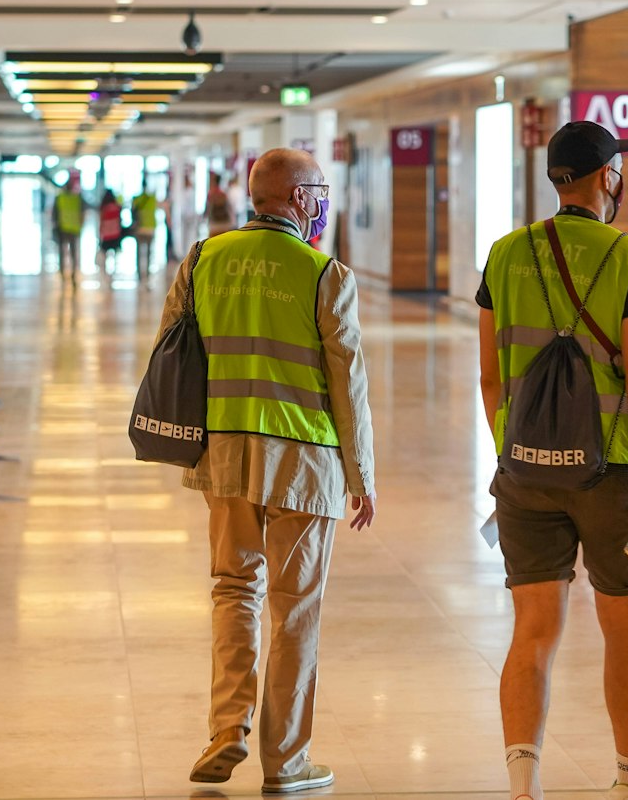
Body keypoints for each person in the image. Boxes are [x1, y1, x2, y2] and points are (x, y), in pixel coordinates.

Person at [162, 148, 377, 795]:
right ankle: (286, 762)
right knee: (293, 610)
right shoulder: (324, 274)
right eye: (321, 191)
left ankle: (227, 729)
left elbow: (172, 353)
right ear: (299, 198)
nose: (325, 203)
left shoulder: (202, 261)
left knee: (233, 590)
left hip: (224, 456)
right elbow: (349, 385)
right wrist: (361, 476)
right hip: (303, 460)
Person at [475, 121, 628, 800]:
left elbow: (489, 377)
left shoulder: (503, 255)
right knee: (625, 626)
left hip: (524, 472)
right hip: (613, 475)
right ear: (606, 178)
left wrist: (514, 451)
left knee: (532, 629)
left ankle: (523, 788)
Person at [53, 174, 84, 287]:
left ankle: (62, 274)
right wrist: (81, 225)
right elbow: (82, 213)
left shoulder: (59, 198)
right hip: (74, 229)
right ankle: (74, 274)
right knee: (73, 253)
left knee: (62, 252)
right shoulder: (77, 198)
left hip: (63, 228)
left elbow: (54, 215)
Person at [132, 186, 160, 283]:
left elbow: (133, 210)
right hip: (150, 229)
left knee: (139, 253)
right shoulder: (152, 198)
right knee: (148, 253)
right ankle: (147, 274)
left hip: (140, 228)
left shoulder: (136, 198)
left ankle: (139, 275)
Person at [97, 190, 125, 276]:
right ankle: (114, 268)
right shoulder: (117, 207)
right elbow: (120, 220)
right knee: (115, 251)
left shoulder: (104, 208)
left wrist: (100, 231)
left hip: (106, 233)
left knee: (105, 252)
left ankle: (105, 270)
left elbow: (101, 220)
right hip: (115, 232)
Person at [207, 172, 237, 237]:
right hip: (225, 225)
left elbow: (208, 210)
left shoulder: (211, 194)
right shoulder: (224, 194)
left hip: (214, 225)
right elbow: (229, 209)